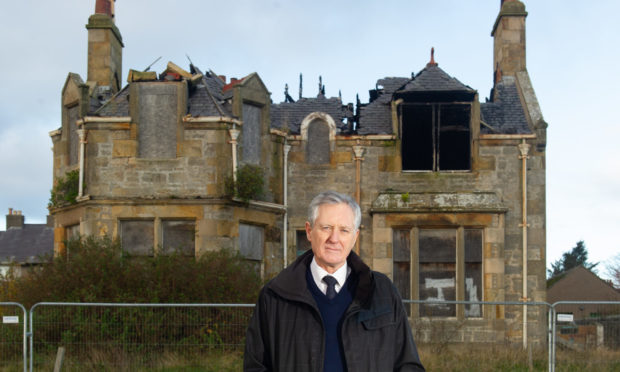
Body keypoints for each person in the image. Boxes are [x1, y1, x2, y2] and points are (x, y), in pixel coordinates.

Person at [244, 190, 425, 371]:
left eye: (344, 230)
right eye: (326, 228)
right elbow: (255, 367)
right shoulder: (275, 296)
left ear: (355, 237)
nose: (334, 239)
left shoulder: (382, 292)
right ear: (309, 231)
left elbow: (408, 365)